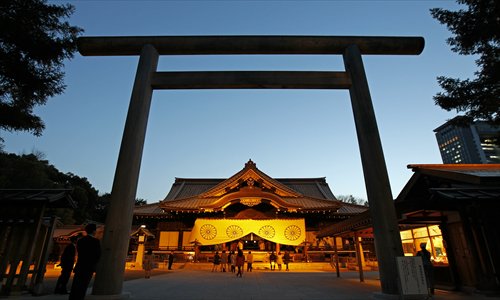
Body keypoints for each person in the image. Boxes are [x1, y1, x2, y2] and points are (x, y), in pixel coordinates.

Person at [69, 224, 100, 300]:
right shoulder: (95, 241)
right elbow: (97, 255)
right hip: (88, 267)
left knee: (76, 285)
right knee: (83, 286)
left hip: (80, 265)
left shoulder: (80, 241)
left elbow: (79, 252)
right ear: (94, 231)